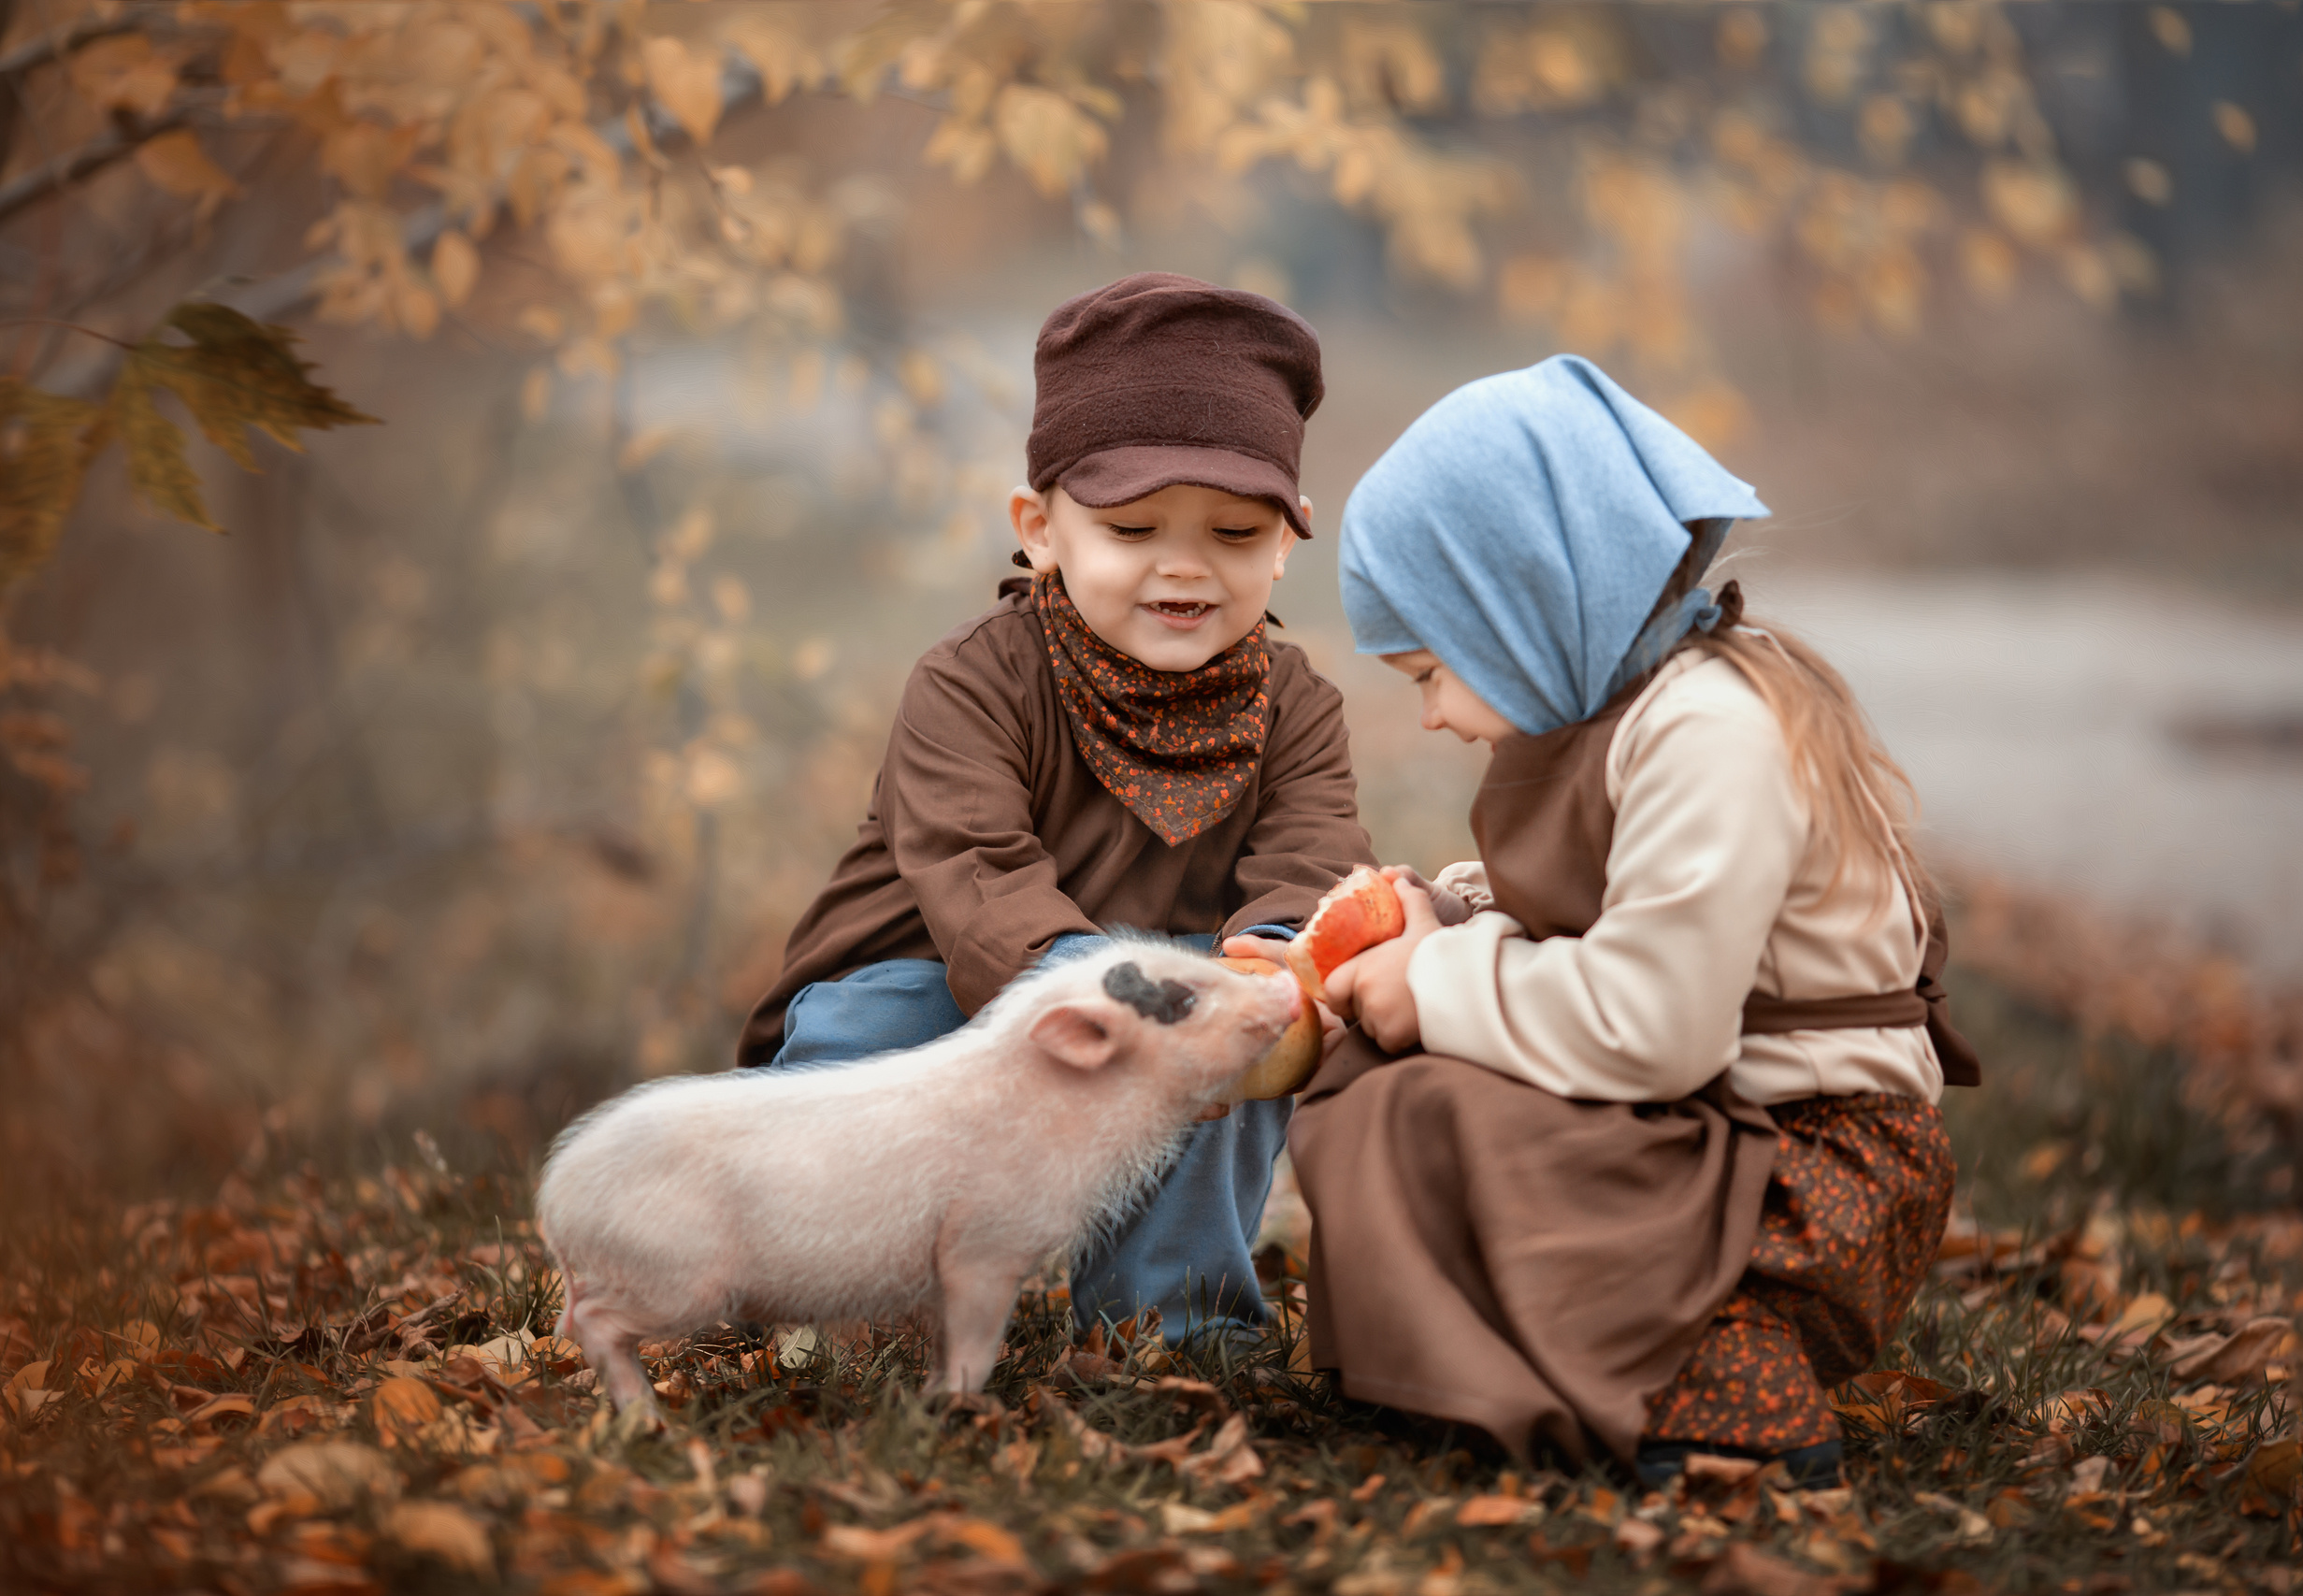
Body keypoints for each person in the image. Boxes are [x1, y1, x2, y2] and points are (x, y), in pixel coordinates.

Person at [1289, 354, 1978, 1488]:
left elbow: (1654, 1023)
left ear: (1518, 612)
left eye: (1431, 672)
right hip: (1726, 1125)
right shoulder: (1638, 707)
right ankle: (1498, 1364)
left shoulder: (1709, 730)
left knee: (1449, 1098)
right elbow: (1619, 907)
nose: (1432, 718)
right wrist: (1451, 911)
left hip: (1810, 1177)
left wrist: (1437, 983)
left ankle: (1723, 1389)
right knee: (1396, 1088)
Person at [737, 273, 1375, 1344]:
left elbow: (1312, 869)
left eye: (1231, 532)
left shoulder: (1296, 707)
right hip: (951, 979)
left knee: (1243, 1022)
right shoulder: (972, 682)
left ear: (1283, 543)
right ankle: (853, 1295)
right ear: (1040, 530)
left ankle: (1167, 1324)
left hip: (1160, 998)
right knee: (878, 1028)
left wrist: (1266, 983)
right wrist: (1108, 1007)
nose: (1183, 566)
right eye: (1131, 531)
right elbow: (978, 876)